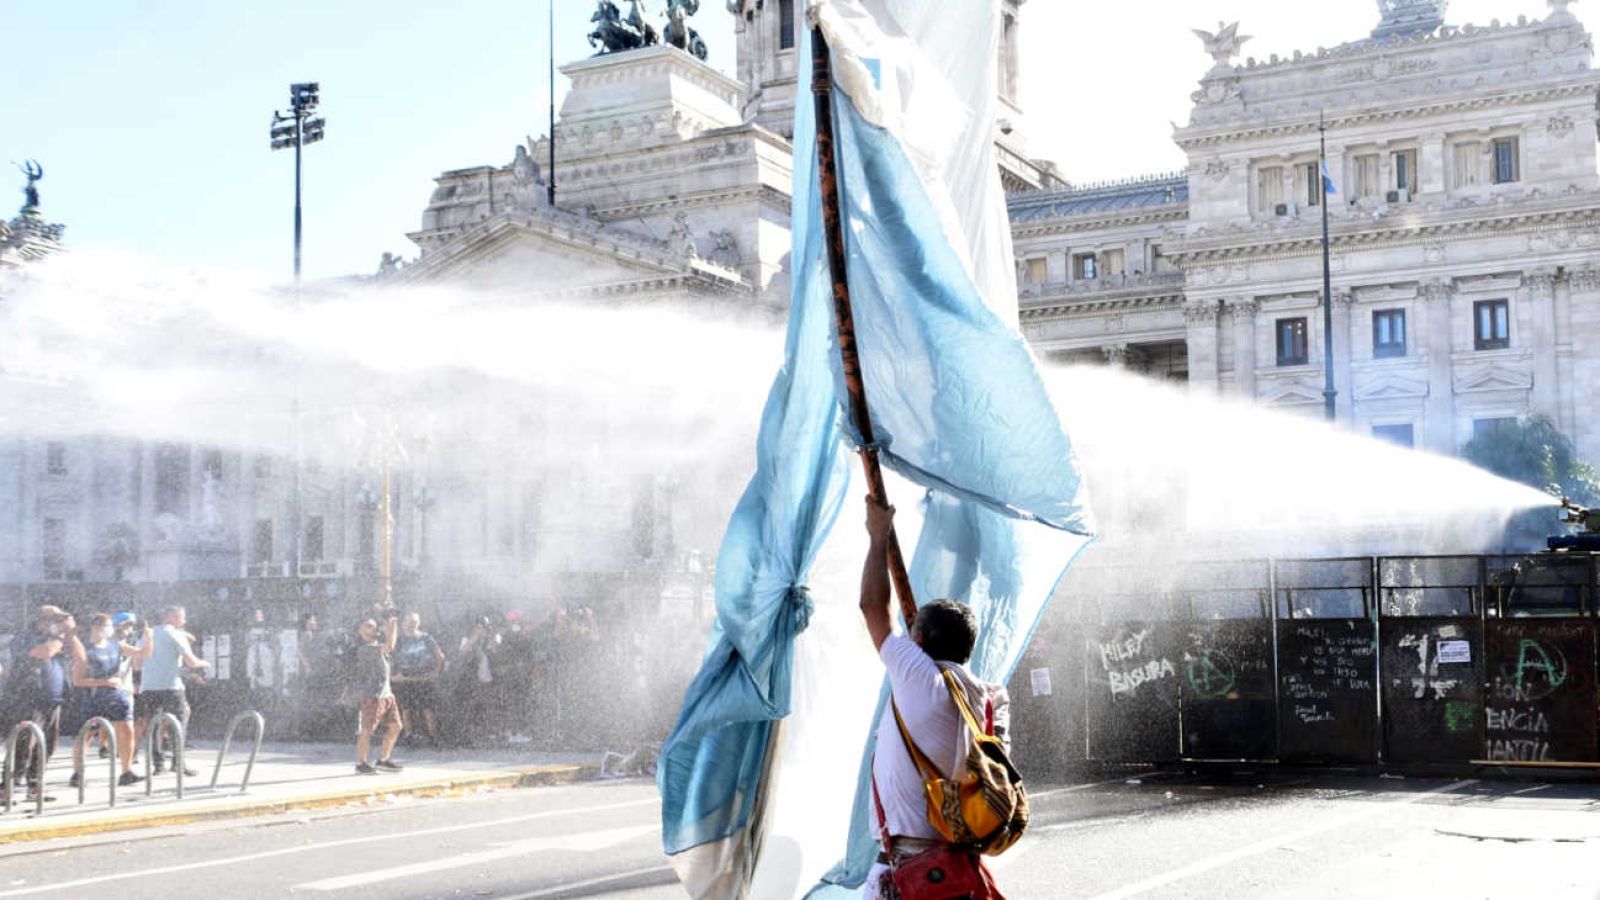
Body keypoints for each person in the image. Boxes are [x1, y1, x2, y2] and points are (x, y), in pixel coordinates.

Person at [859, 498, 1010, 900]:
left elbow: (873, 606)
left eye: (914, 636)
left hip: (911, 868)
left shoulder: (920, 677)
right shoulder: (987, 698)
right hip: (957, 866)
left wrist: (878, 536)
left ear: (920, 641)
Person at [66, 613, 149, 788]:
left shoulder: (116, 645)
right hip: (93, 696)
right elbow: (78, 681)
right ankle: (77, 773)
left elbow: (143, 653)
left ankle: (126, 771)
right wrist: (104, 682)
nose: (110, 629)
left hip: (116, 695)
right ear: (95, 628)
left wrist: (148, 637)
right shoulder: (86, 649)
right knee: (86, 735)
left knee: (126, 729)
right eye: (106, 626)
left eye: (110, 626)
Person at [2, 605, 73, 801]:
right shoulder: (26, 637)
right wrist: (59, 637)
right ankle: (8, 786)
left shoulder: (60, 640)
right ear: (43, 621)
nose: (59, 625)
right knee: (24, 744)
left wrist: (71, 634)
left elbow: (80, 656)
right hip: (29, 698)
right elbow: (42, 653)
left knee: (47, 746)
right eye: (55, 621)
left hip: (53, 698)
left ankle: (35, 784)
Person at [133, 606, 210, 777]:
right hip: (171, 687)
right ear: (171, 617)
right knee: (178, 725)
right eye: (182, 617)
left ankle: (158, 765)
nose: (184, 621)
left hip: (149, 688)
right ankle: (178, 763)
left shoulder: (147, 635)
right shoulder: (176, 635)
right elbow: (191, 662)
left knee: (154, 725)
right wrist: (205, 663)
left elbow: (137, 665)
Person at [353, 613, 404, 774]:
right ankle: (361, 763)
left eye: (374, 626)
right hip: (372, 695)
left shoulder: (376, 645)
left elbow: (388, 646)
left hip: (387, 694)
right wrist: (393, 624)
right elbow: (390, 646)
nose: (372, 629)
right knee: (367, 730)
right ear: (359, 630)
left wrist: (390, 625)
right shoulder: (365, 648)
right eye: (367, 626)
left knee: (396, 726)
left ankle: (383, 760)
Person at [390, 612, 445, 747]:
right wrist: (392, 675)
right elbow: (389, 657)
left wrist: (435, 672)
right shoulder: (398, 640)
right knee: (406, 709)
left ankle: (433, 737)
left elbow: (440, 656)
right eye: (408, 622)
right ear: (403, 624)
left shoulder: (426, 638)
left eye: (414, 622)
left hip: (424, 679)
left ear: (418, 623)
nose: (411, 625)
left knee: (428, 709)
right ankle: (409, 737)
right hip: (405, 679)